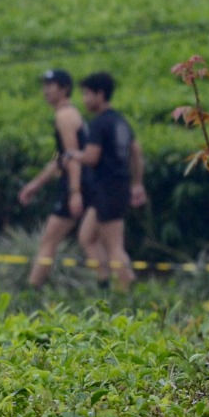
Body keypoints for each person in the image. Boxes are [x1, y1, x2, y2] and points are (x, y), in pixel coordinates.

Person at [72, 72, 147, 288]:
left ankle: (126, 287)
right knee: (86, 237)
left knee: (114, 245)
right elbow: (136, 150)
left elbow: (91, 157)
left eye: (87, 94)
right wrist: (137, 182)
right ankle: (103, 283)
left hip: (109, 187)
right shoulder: (120, 121)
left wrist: (72, 155)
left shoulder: (99, 123)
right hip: (114, 187)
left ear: (100, 94)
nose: (84, 99)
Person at [18, 69, 88, 287]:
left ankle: (29, 293)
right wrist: (36, 184)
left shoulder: (64, 116)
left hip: (76, 183)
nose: (46, 91)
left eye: (51, 86)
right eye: (45, 85)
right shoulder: (69, 114)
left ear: (65, 89)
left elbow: (72, 157)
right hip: (80, 182)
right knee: (94, 241)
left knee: (49, 241)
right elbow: (60, 159)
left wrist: (74, 192)